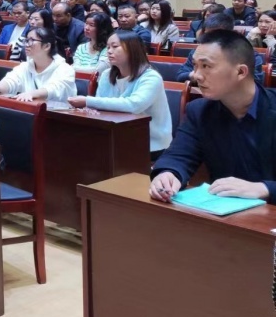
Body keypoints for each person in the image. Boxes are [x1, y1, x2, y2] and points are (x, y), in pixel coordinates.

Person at [150, 30, 276, 205]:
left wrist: (265, 188)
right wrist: (169, 173)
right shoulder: (199, 111)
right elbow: (178, 156)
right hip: (225, 212)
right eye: (195, 66)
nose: (196, 75)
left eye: (206, 66)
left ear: (240, 72)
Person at [69, 30, 172, 157]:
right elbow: (99, 108)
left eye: (115, 46)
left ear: (132, 49)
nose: (109, 51)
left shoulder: (151, 77)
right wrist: (90, 109)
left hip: (150, 142)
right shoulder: (107, 75)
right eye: (108, 47)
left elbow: (134, 105)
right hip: (116, 137)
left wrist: (87, 101)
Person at [0, 27, 75, 103]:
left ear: (47, 46)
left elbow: (55, 89)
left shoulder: (65, 69)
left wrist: (32, 94)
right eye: (26, 40)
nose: (26, 45)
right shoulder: (24, 67)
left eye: (31, 41)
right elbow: (11, 81)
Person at [176, 12, 264, 84]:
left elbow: (256, 82)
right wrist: (195, 75)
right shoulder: (198, 52)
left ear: (230, 33)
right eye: (207, 34)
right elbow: (180, 76)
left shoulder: (249, 54)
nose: (211, 39)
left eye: (216, 35)